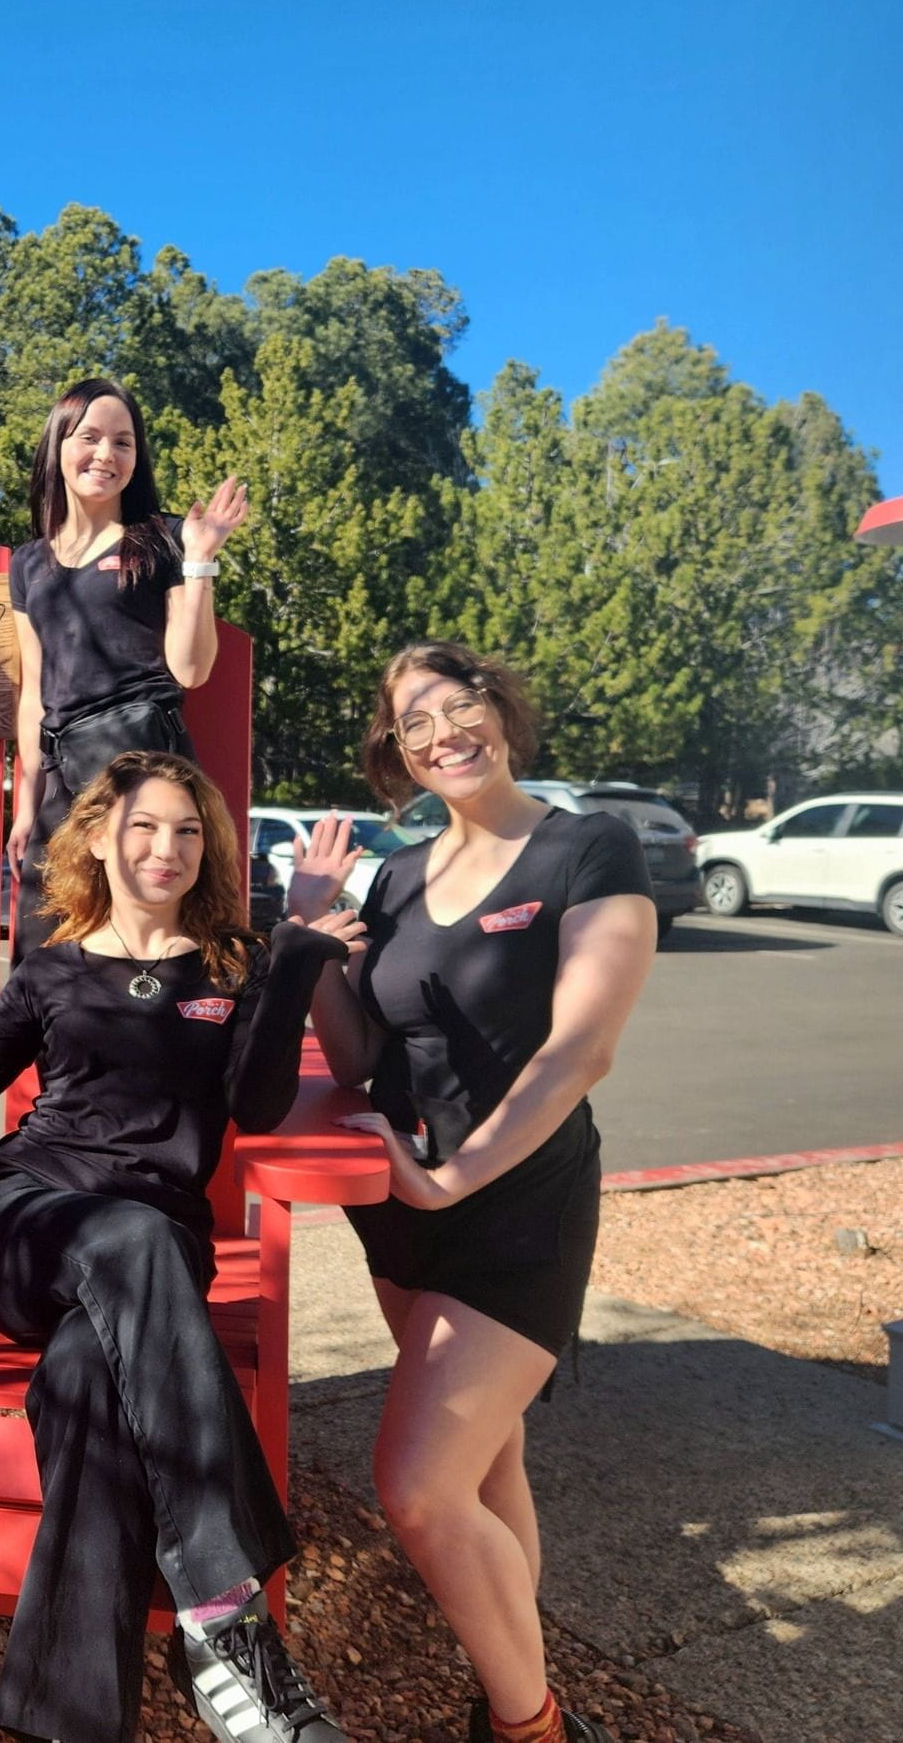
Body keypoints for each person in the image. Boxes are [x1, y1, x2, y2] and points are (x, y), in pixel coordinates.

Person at [0, 751, 353, 1743]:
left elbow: (257, 1104)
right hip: (25, 1222)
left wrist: (300, 954)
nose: (165, 848)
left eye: (187, 831)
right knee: (129, 1240)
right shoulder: (51, 967)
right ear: (99, 835)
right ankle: (229, 1622)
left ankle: (62, 1722)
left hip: (148, 1261)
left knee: (92, 1384)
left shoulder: (230, 964)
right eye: (143, 826)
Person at [284, 643, 656, 1743]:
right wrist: (309, 938)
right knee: (484, 1465)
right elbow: (357, 1054)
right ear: (393, 753)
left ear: (500, 711)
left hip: (512, 1202)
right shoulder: (395, 874)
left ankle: (531, 1724)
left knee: (413, 1483)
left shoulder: (587, 846)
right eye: (414, 724)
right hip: (401, 1205)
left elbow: (577, 1051)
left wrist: (451, 1179)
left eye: (460, 706)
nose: (443, 733)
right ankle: (513, 1666)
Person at [5, 376, 249, 956]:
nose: (106, 455)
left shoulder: (162, 539)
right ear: (58, 445)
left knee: (146, 941)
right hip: (64, 778)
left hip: (141, 760)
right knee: (47, 949)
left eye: (123, 442)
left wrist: (199, 561)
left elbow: (190, 670)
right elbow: (35, 694)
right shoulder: (27, 563)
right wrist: (25, 806)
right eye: (89, 437)